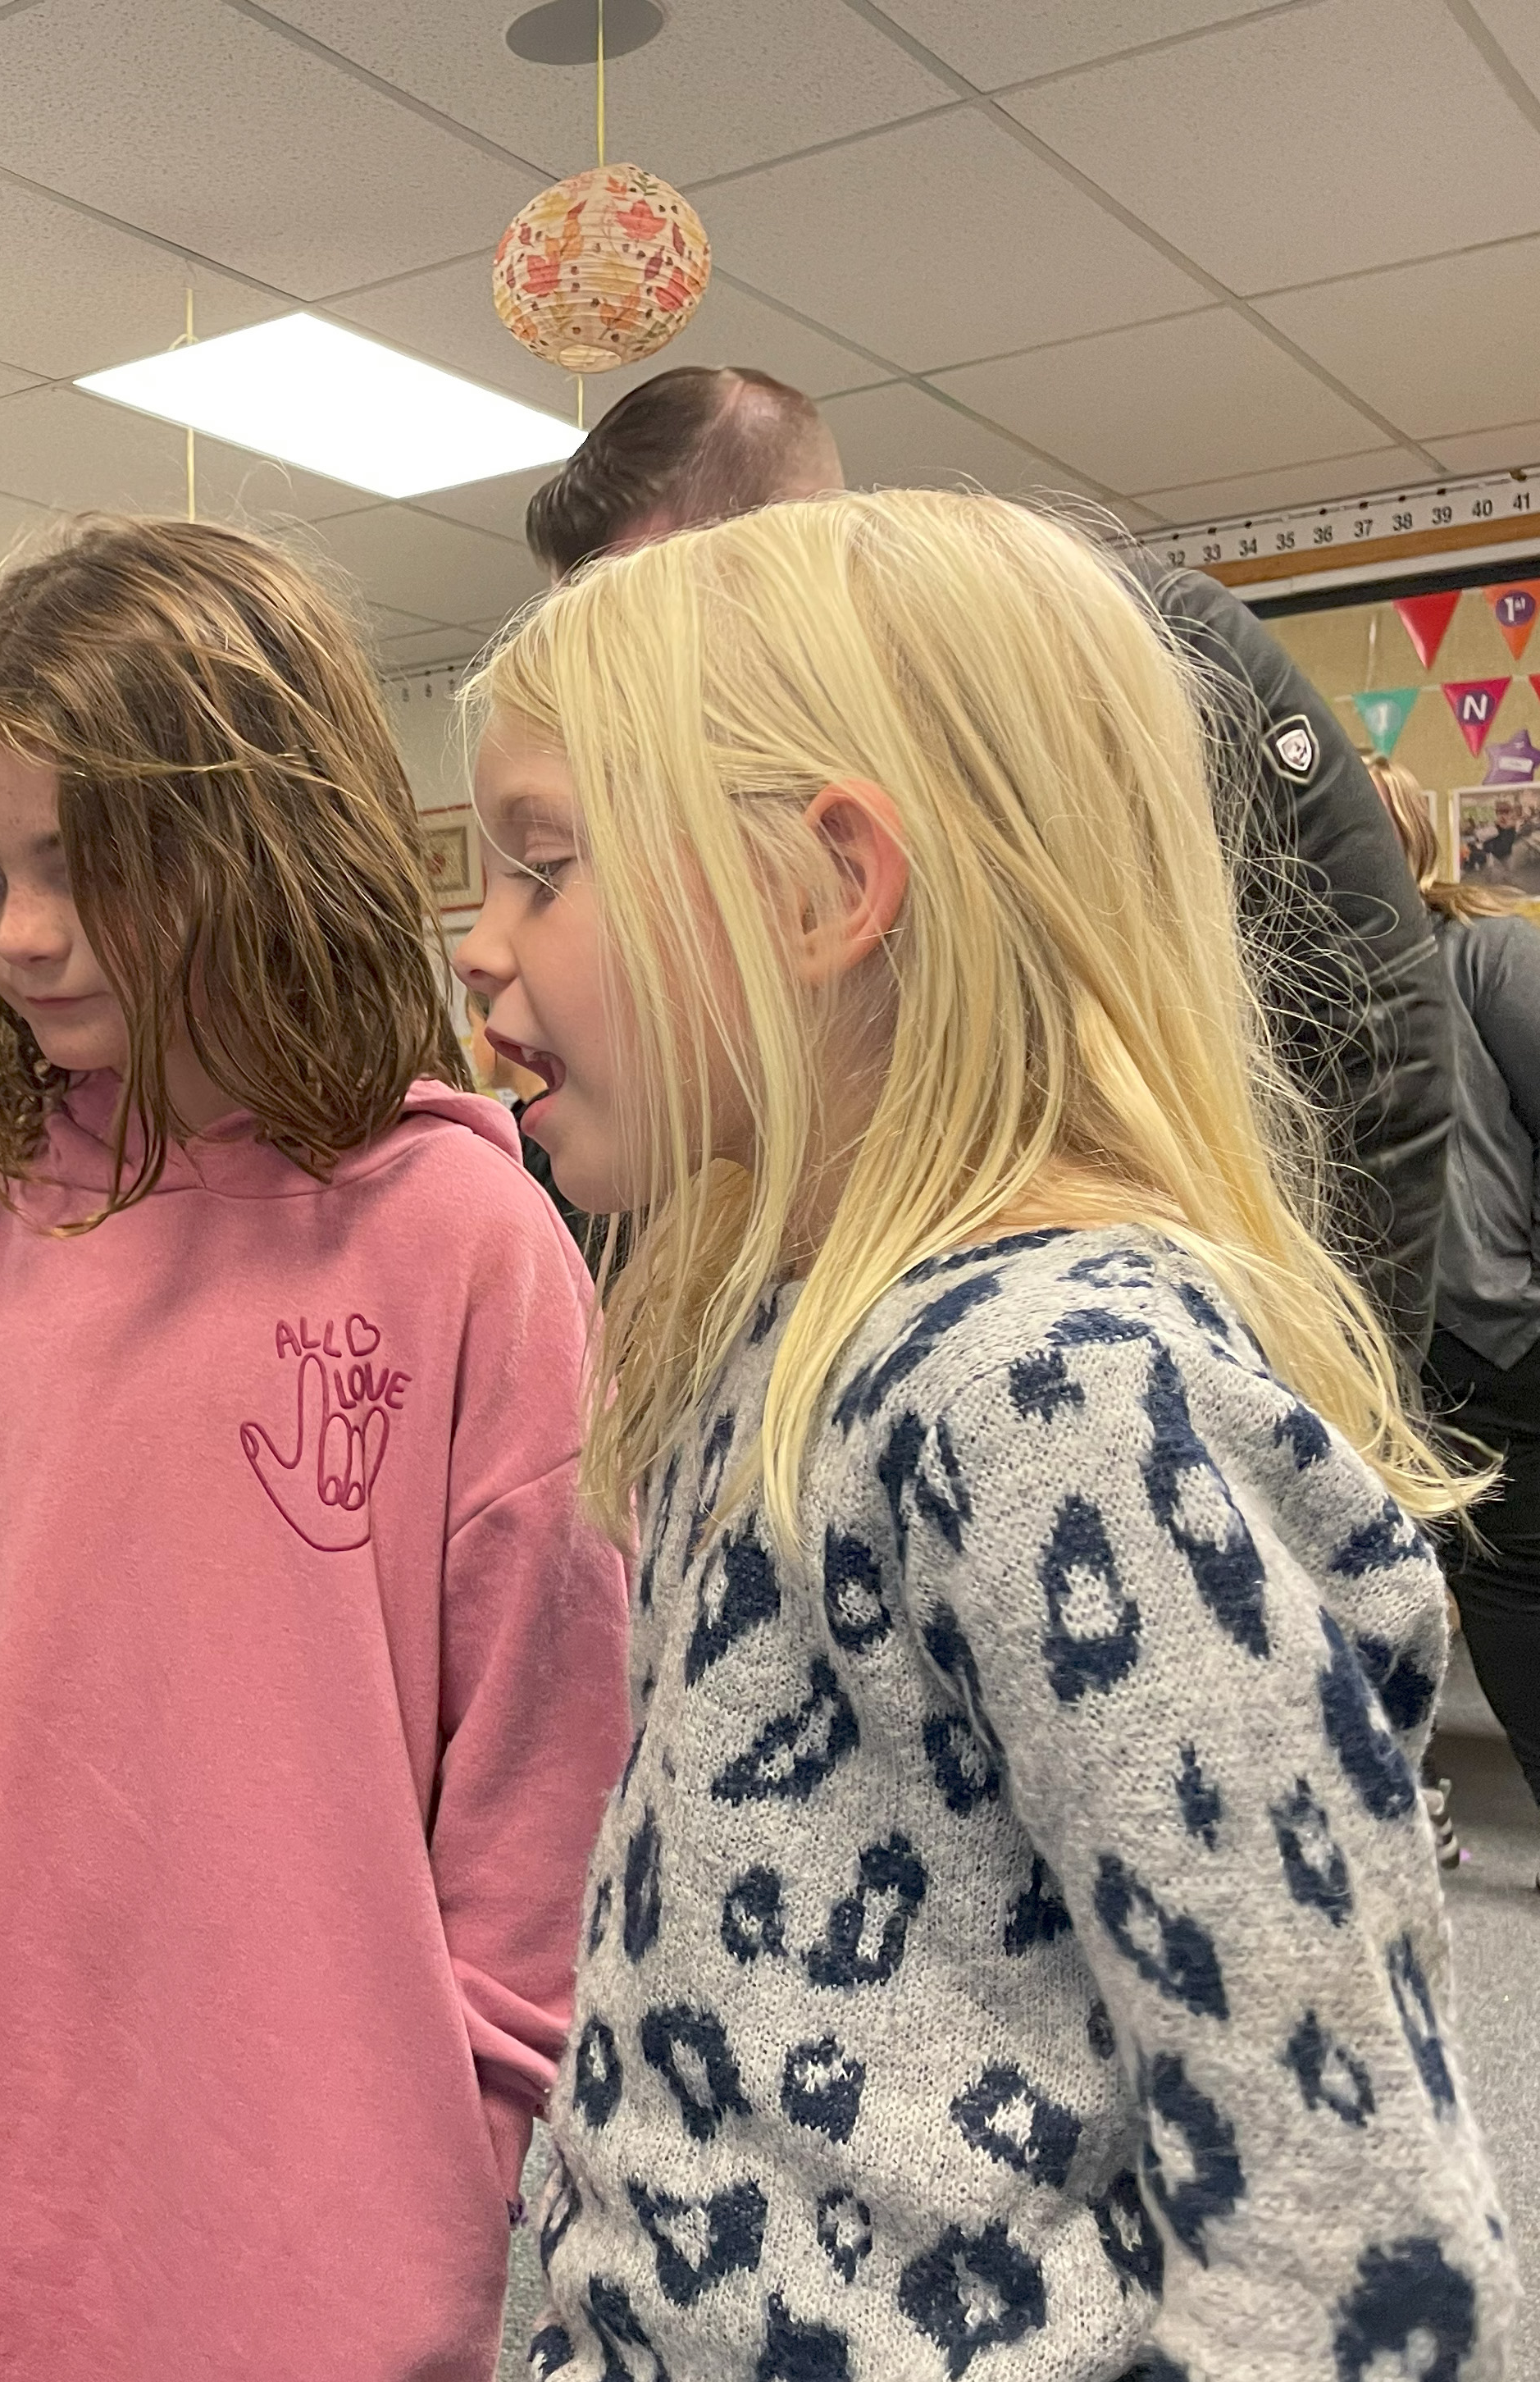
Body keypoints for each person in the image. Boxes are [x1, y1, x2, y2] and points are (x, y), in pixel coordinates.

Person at [462, 488, 1513, 2376]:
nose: (477, 943)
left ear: (822, 889)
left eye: (542, 865)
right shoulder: (763, 1334)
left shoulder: (1072, 1397)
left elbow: (1348, 2244)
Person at [0, 517, 635, 2377]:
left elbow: (542, 1764)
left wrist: (469, 2139)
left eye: (85, 864)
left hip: (327, 2206)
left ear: (265, 837)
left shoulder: (470, 1244)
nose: (20, 934)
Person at [523, 366, 1457, 1359]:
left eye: (662, 601)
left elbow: (1375, 1034)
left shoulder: (1134, 648)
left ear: (799, 527)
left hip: (1137, 1341)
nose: (632, 661)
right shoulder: (730, 775)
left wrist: (1322, 1385)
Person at [1372, 754, 1540, 1857]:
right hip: (1376, 1347)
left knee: (1515, 1581)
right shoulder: (1282, 990)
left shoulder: (1484, 953)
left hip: (1493, 1325)